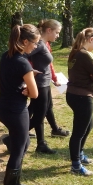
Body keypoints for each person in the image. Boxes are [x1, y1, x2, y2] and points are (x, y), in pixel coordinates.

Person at [0, 24, 39, 185]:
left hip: (3, 108)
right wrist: (28, 86)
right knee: (18, 149)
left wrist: (24, 84)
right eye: (34, 43)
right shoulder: (23, 63)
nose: (36, 46)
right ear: (25, 41)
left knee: (24, 143)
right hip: (16, 110)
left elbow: (11, 78)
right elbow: (35, 93)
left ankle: (16, 182)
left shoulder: (6, 56)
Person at [66, 28, 93, 176]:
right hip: (82, 96)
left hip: (73, 94)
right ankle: (76, 165)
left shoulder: (75, 52)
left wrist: (91, 74)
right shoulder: (84, 54)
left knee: (88, 126)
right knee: (78, 132)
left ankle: (80, 155)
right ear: (90, 39)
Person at [29, 19, 61, 154]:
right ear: (49, 30)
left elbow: (48, 64)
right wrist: (28, 73)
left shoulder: (44, 44)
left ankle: (41, 143)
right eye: (57, 32)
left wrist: (53, 78)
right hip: (39, 83)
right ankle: (13, 136)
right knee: (39, 114)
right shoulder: (39, 45)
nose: (58, 35)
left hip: (45, 83)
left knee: (40, 112)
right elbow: (21, 56)